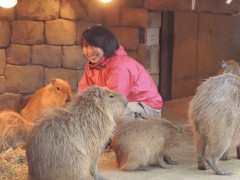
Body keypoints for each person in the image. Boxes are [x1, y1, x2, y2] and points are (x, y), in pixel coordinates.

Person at [78, 25, 163, 120]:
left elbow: (115, 100)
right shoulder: (92, 66)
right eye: (85, 46)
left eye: (94, 45)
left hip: (146, 107)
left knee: (110, 117)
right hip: (122, 104)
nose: (89, 51)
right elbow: (83, 92)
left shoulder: (120, 65)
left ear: (106, 44)